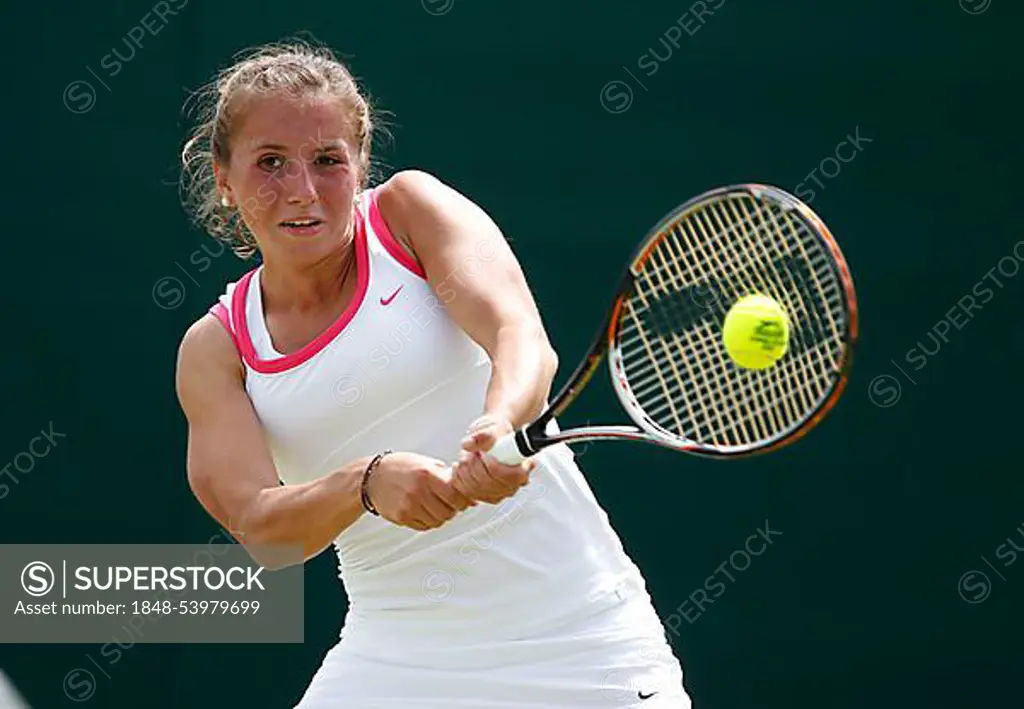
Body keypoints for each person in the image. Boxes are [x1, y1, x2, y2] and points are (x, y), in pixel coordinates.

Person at [175, 39, 690, 708]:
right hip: (393, 662)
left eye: (328, 160)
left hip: (580, 644)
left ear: (360, 165)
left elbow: (518, 335)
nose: (302, 190)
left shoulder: (410, 213)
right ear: (225, 176)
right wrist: (365, 482)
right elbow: (260, 527)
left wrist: (501, 422)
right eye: (270, 162)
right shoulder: (217, 350)